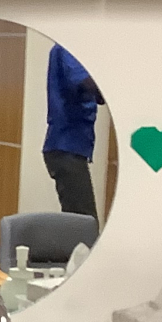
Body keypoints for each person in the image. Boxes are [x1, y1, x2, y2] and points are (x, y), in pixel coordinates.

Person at [44, 44, 103, 221]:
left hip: (73, 146)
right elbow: (87, 83)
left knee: (79, 221)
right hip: (66, 145)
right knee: (84, 223)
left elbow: (99, 97)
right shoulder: (67, 48)